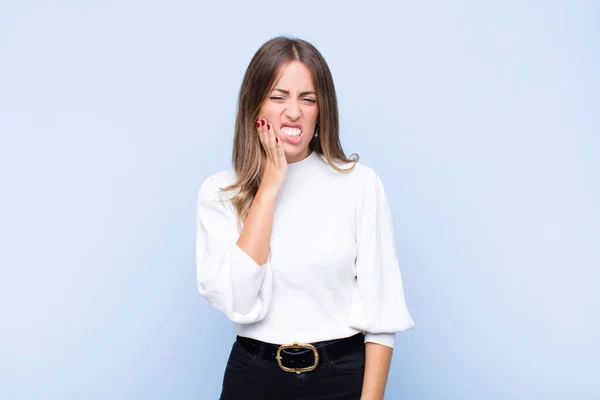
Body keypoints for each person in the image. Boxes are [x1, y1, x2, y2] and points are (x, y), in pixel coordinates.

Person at [195, 36, 415, 400]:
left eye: (307, 99)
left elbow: (382, 316)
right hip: (253, 378)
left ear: (322, 109)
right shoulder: (220, 191)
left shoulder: (359, 184)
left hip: (341, 378)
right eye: (278, 97)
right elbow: (239, 301)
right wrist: (268, 189)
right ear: (256, 106)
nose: (293, 112)